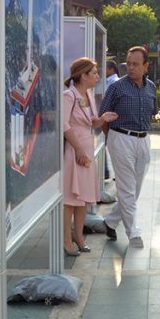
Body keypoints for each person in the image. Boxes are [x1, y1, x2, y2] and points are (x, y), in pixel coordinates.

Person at [99, 46, 159, 248]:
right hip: (121, 137)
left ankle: (110, 221)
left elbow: (153, 111)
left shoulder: (151, 87)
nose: (130, 68)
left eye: (135, 64)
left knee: (136, 188)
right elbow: (103, 115)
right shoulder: (116, 87)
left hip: (143, 139)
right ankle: (134, 233)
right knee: (126, 188)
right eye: (128, 64)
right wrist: (113, 138)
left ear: (145, 66)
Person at [62, 58, 117, 255]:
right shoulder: (69, 95)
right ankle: (67, 240)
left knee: (83, 198)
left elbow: (91, 123)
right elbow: (64, 124)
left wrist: (102, 119)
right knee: (70, 199)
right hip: (75, 151)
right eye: (93, 73)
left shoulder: (89, 95)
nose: (97, 76)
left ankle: (79, 237)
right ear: (83, 75)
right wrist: (78, 149)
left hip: (86, 150)